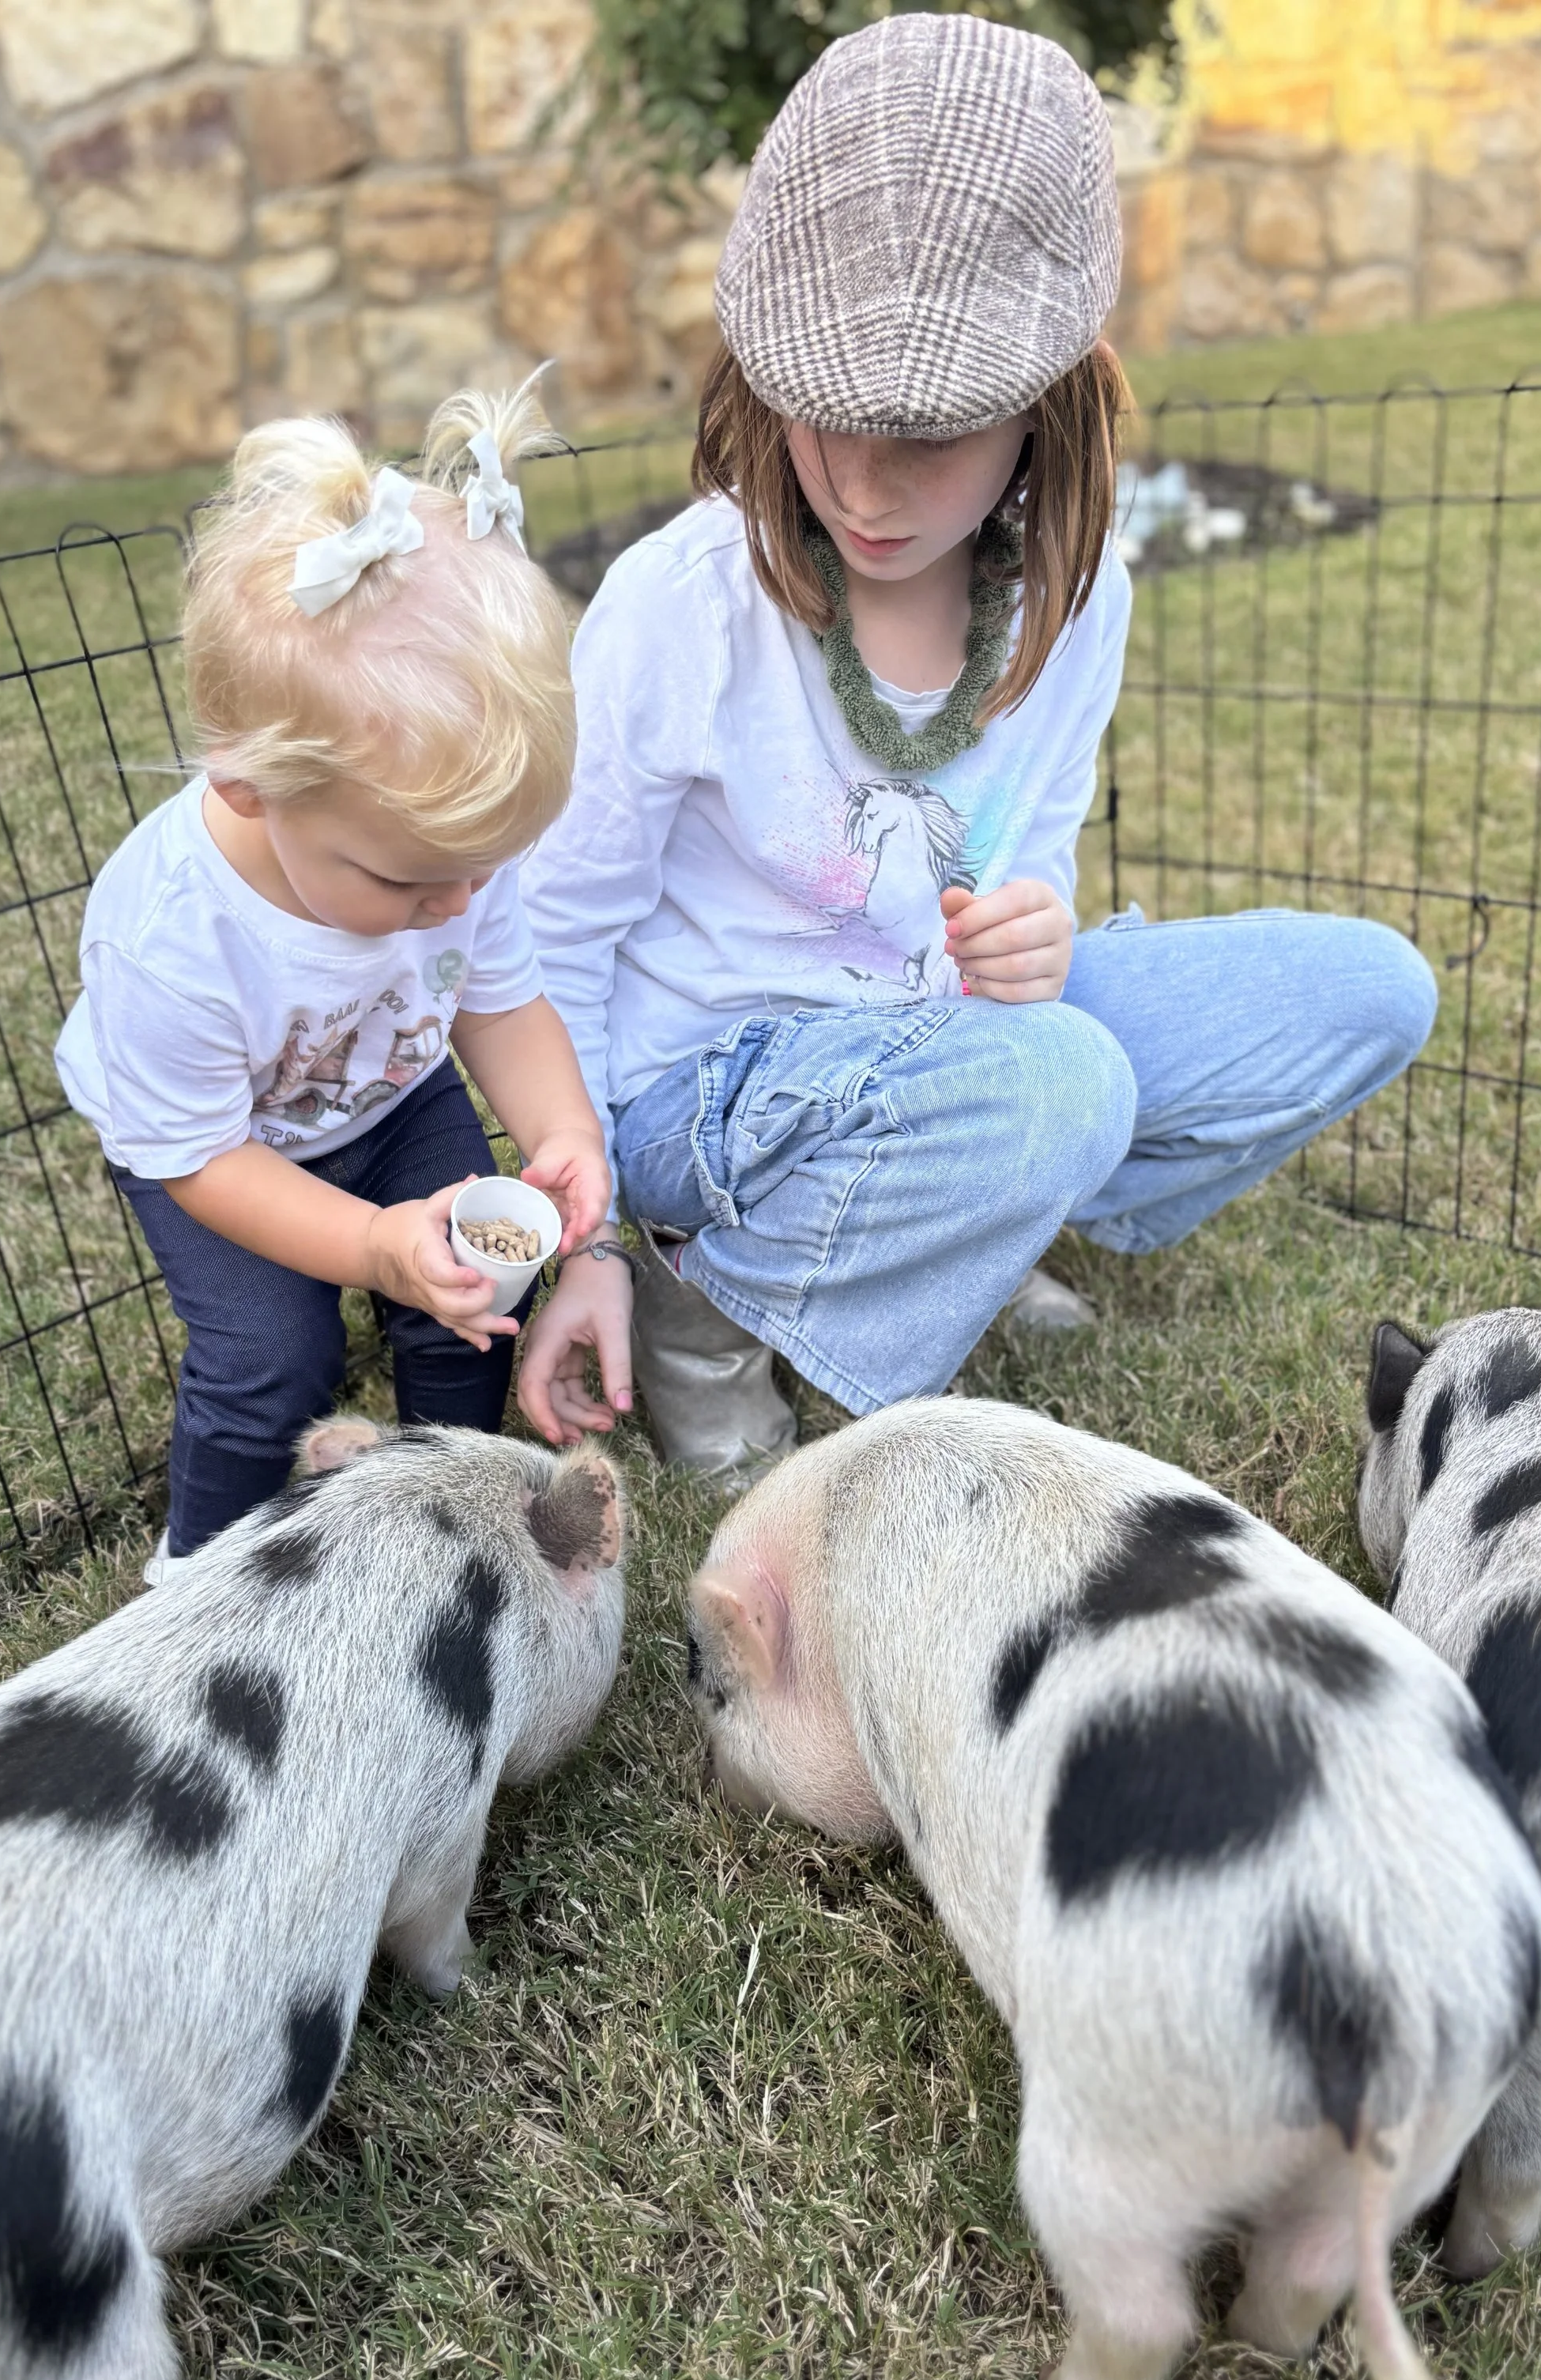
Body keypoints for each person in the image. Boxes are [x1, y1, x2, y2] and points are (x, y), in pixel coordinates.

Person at [515, 12, 1436, 1478]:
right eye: (828, 415)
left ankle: (980, 1211)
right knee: (1064, 1082)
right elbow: (548, 934)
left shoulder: (1076, 598)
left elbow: (1029, 844)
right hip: (706, 1093)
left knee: (1367, 992)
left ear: (1044, 407)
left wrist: (1036, 934)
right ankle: (712, 1308)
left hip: (952, 1034)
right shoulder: (681, 603)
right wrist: (586, 1231)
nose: (869, 486)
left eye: (936, 432)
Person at [55, 384, 617, 1576]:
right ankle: (197, 1579)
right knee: (272, 1359)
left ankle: (433, 1525)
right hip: (225, 1152)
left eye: (479, 872)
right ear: (252, 784)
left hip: (396, 1095)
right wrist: (371, 1245)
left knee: (465, 1309)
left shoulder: (444, 858)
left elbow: (498, 998)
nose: (455, 907)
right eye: (411, 884)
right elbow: (204, 1160)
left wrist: (561, 1128)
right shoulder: (171, 935)